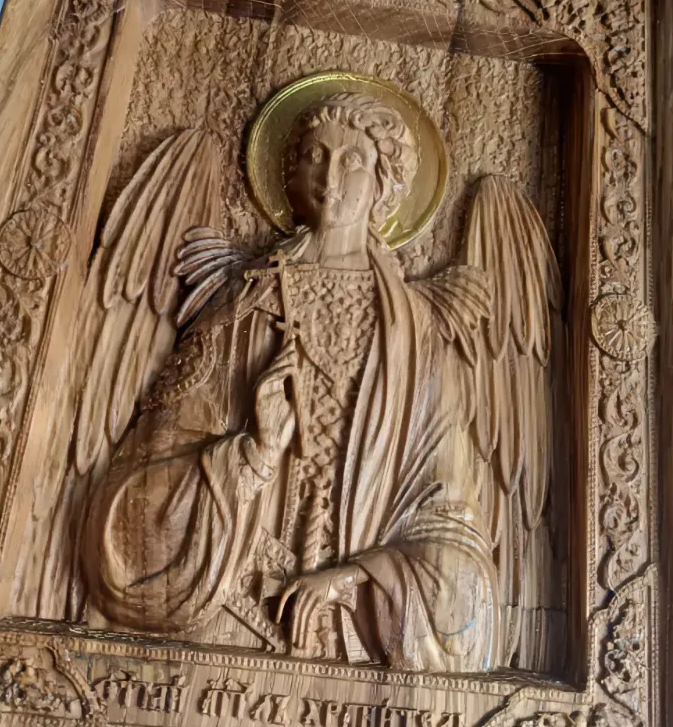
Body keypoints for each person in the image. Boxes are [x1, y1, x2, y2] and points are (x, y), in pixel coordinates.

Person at [84, 92, 497, 672]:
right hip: (235, 617)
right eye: (315, 156)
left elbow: (451, 523)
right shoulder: (243, 303)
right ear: (292, 175)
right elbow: (137, 486)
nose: (331, 177)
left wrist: (351, 578)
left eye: (353, 160)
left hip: (357, 631)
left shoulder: (419, 334)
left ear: (385, 184)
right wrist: (251, 457)